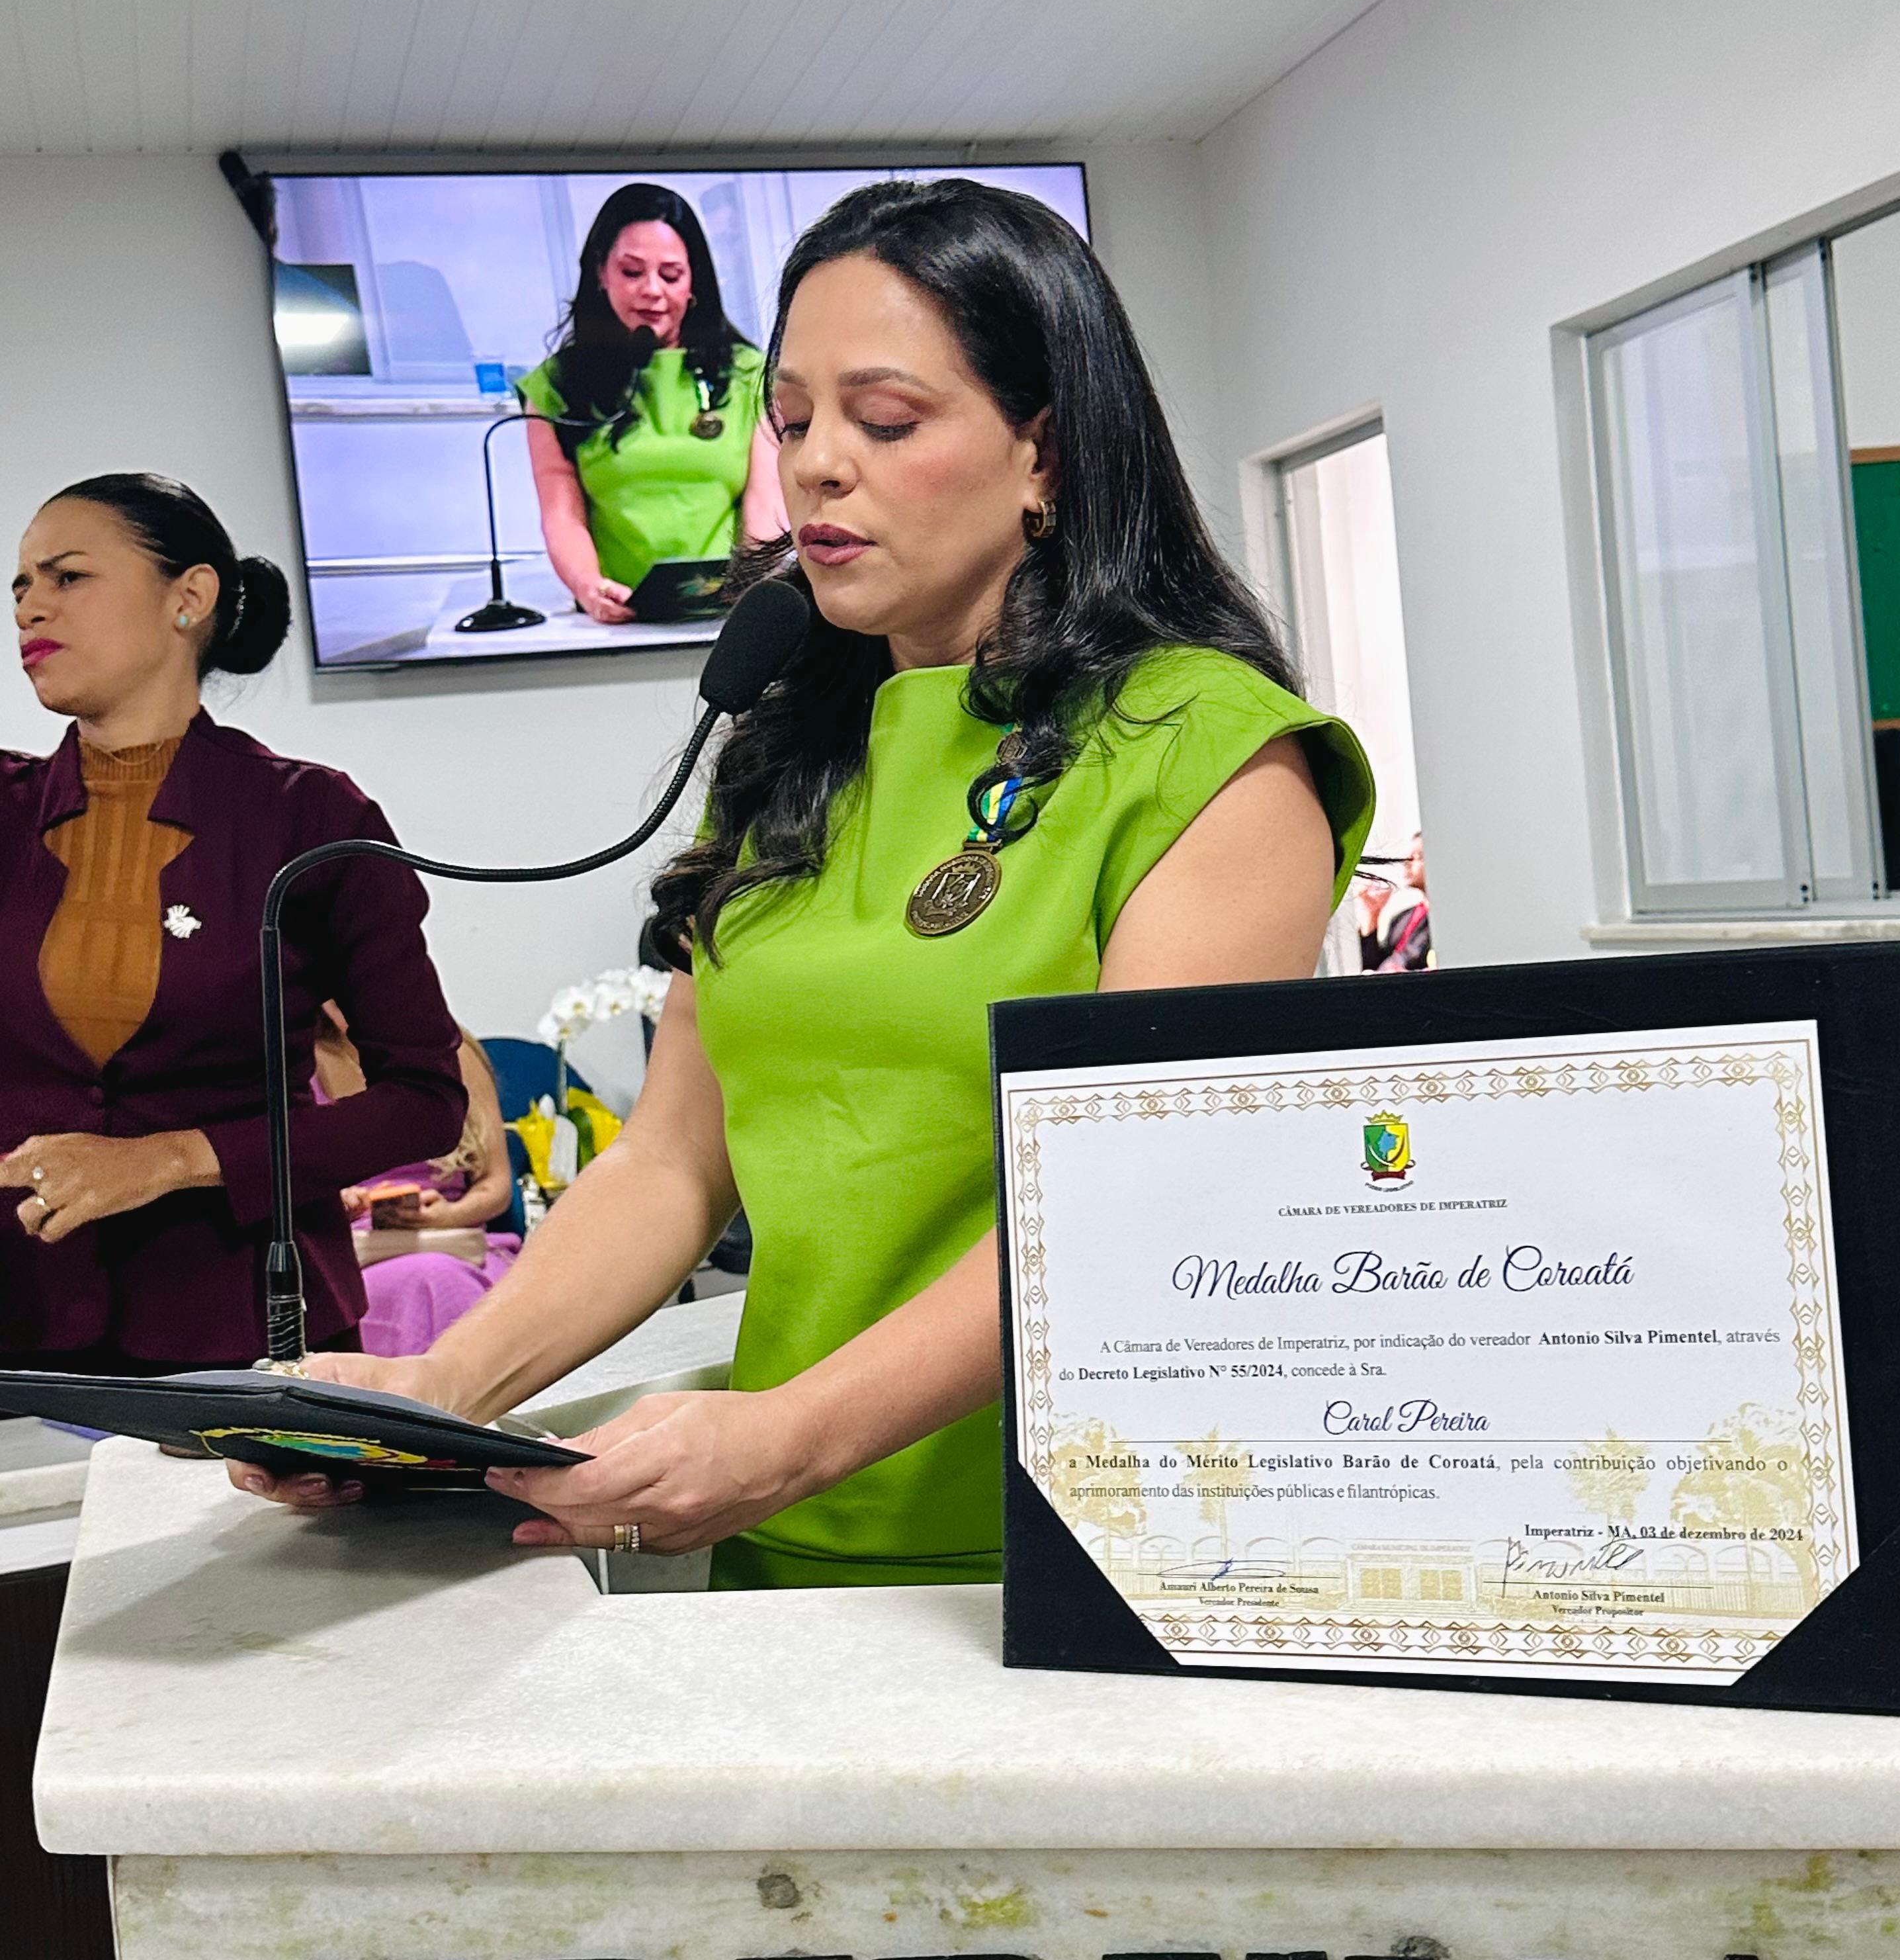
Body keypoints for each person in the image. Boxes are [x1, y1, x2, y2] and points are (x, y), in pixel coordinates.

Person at [242, 179, 1373, 1580]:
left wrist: (792, 1434)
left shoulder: (1207, 750)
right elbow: (672, 1158)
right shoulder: (792, 754)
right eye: (789, 421)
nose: (814, 466)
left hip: (1080, 1558)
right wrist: (448, 1389)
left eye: (884, 420)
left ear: (1048, 452)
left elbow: (1136, 1202)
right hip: (786, 1535)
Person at [2, 474, 465, 1369]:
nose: (29, 607)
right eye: (19, 586)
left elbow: (425, 1104)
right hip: (22, 1339)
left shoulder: (311, 817)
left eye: (66, 577)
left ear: (189, 597)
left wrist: (171, 1158)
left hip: (246, 1329)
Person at [517, 184, 787, 623]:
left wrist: (752, 587)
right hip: (614, 619)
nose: (652, 291)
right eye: (632, 272)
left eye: (671, 274)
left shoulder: (748, 374)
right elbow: (562, 514)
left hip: (727, 614)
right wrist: (590, 587)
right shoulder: (557, 385)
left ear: (694, 281)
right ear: (601, 275)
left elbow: (766, 503)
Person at [313, 1006, 521, 1360]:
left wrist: (449, 1215)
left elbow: (496, 1184)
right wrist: (328, 1203)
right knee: (415, 1284)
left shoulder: (450, 1050)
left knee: (441, 1279)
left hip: (452, 1242)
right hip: (348, 1260)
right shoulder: (289, 1064)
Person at [1356, 831, 1432, 971]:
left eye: (1416, 857)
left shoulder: (1446, 922)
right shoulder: (1402, 918)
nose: (1406, 863)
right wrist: (1372, 914)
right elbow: (1371, 965)